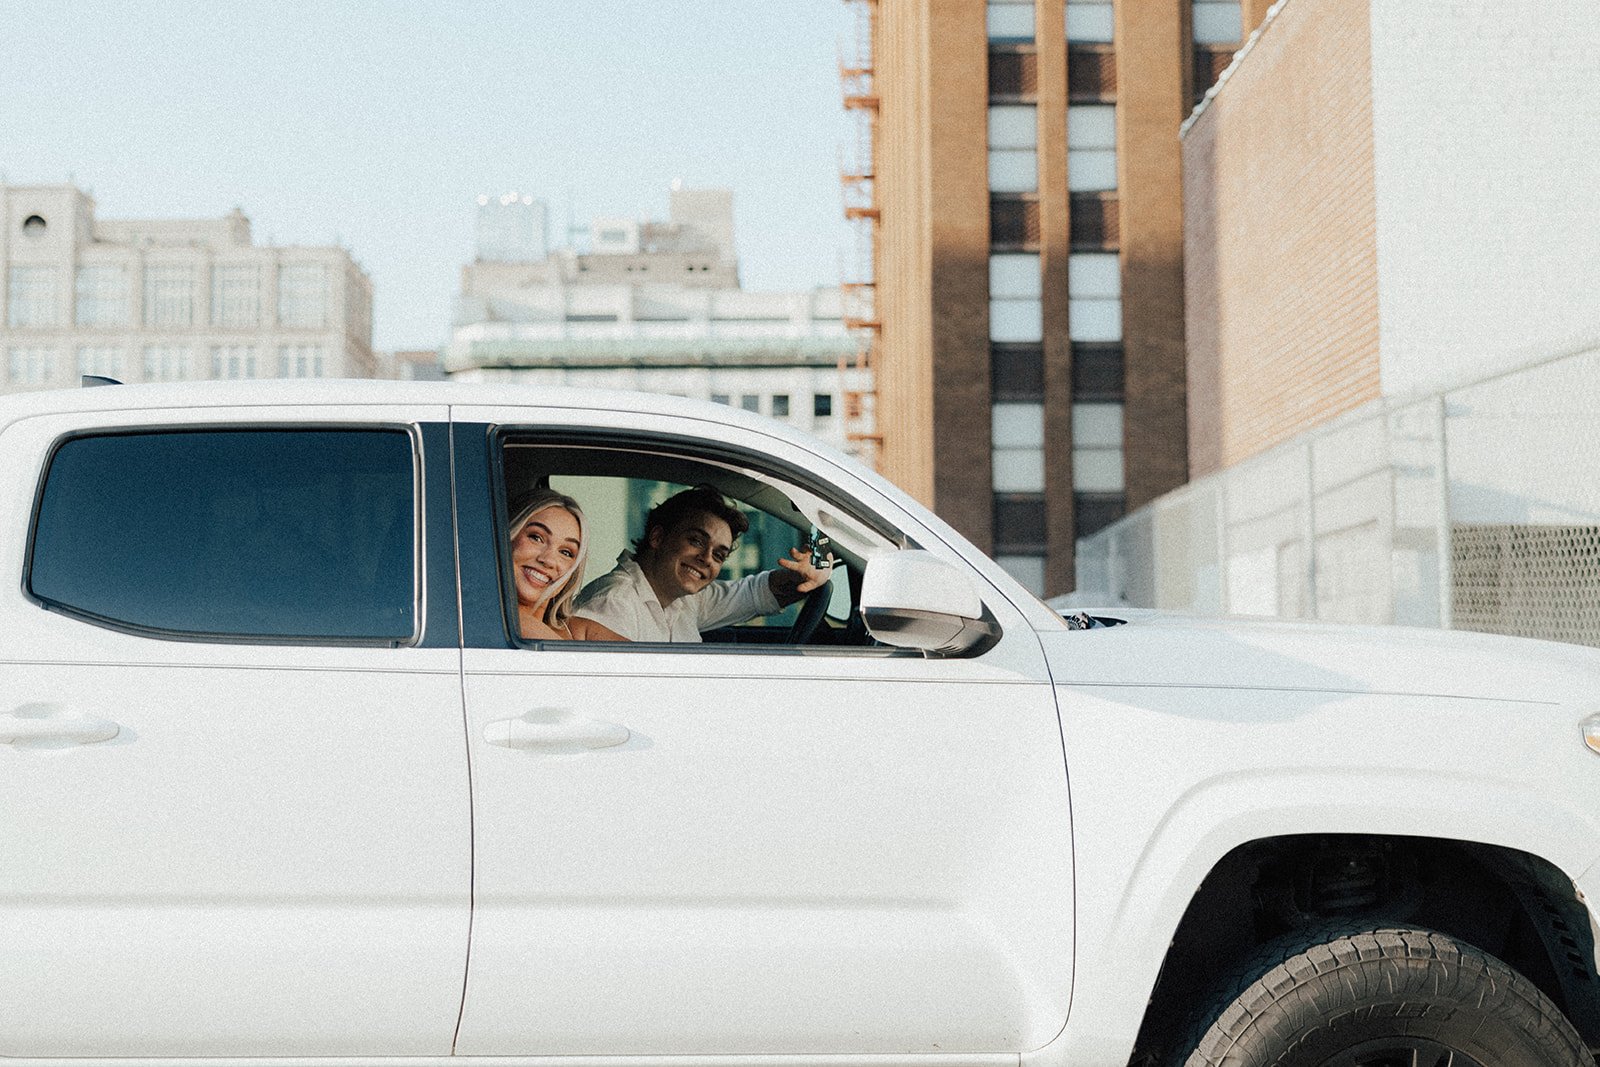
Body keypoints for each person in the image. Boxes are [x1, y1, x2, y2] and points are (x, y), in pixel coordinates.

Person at [573, 484, 833, 643]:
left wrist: (803, 576)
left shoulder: (683, 599)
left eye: (719, 555)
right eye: (697, 541)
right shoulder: (614, 603)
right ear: (658, 536)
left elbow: (755, 593)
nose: (707, 559)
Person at [507, 488, 626, 642]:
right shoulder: (501, 621)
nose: (548, 560)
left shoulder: (579, 630)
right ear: (508, 536)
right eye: (536, 537)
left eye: (566, 552)